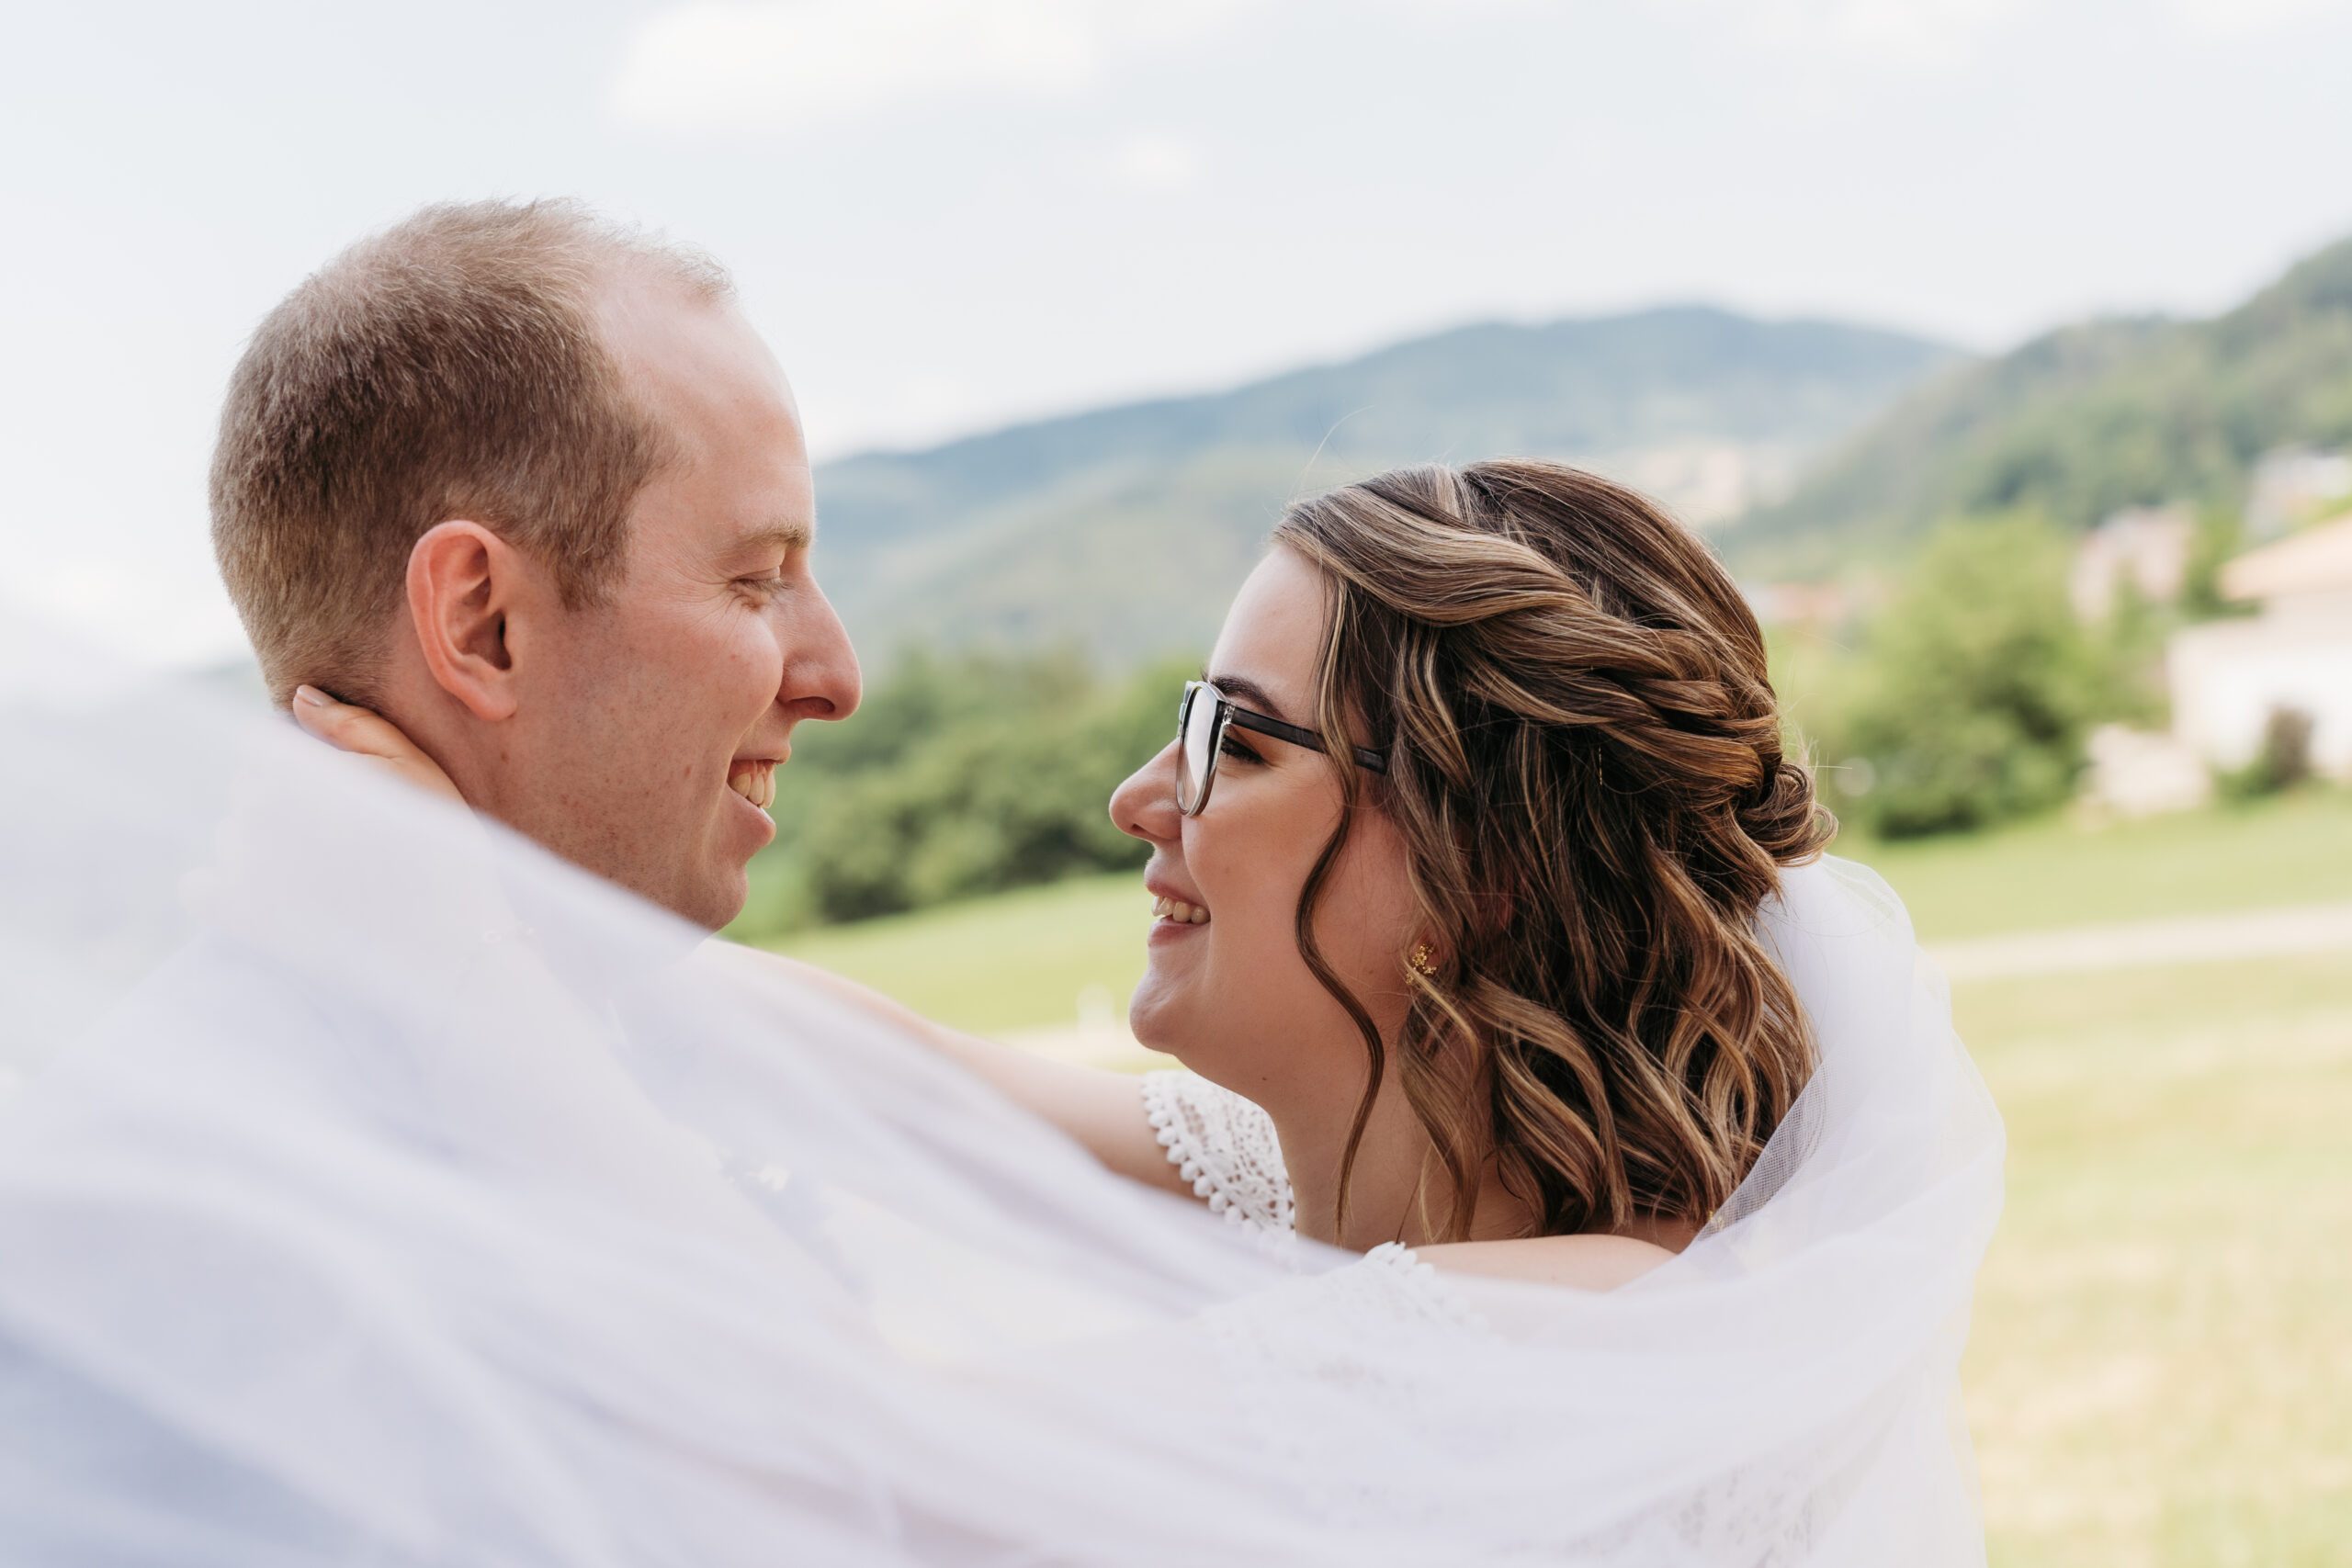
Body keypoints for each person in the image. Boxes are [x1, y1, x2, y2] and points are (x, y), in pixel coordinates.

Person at [0, 198, 2004, 1562]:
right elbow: (873, 1068)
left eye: (1234, 736)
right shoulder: (1312, 1182)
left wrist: (440, 944)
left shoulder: (1561, 1335)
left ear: (1469, 861)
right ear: (480, 616)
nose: (1142, 791)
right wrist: (418, 878)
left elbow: (840, 1465)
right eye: (758, 568)